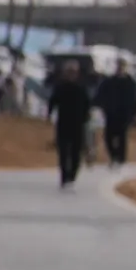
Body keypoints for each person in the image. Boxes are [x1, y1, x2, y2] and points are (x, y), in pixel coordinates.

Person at [47, 58, 92, 187]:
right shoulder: (60, 87)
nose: (71, 74)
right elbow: (53, 101)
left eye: (73, 71)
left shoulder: (81, 88)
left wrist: (87, 117)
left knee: (76, 152)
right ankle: (64, 175)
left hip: (78, 124)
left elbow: (87, 104)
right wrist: (49, 114)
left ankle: (72, 175)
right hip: (63, 123)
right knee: (63, 151)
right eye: (69, 71)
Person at [95, 58, 136, 166]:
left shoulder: (130, 83)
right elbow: (100, 94)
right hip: (111, 114)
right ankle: (114, 156)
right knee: (108, 137)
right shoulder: (109, 82)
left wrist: (134, 113)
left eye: (122, 66)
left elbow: (135, 99)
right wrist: (100, 105)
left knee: (122, 137)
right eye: (119, 65)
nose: (120, 68)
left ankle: (121, 158)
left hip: (125, 115)